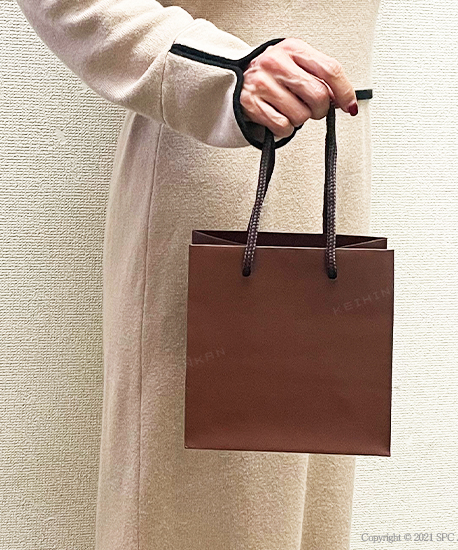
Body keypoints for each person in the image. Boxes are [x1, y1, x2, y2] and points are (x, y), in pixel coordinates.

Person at [15, 0, 381, 548]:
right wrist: (223, 71)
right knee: (205, 513)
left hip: (333, 174)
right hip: (222, 164)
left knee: (306, 507)